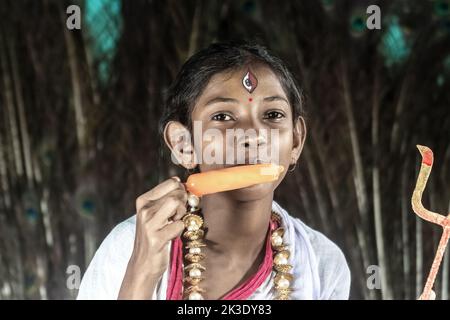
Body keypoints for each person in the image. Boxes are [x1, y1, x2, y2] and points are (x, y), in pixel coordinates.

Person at [77, 42, 351, 300]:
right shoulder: (129, 247)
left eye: (272, 115)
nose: (254, 135)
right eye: (222, 117)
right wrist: (141, 273)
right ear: (184, 145)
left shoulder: (321, 263)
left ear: (295, 140)